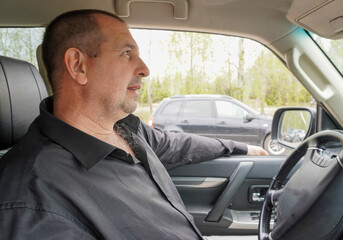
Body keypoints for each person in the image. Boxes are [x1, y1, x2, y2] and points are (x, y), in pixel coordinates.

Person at [0, 9, 267, 240]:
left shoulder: (126, 130)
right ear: (78, 66)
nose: (144, 69)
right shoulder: (30, 199)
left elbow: (178, 145)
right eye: (127, 53)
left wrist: (240, 147)